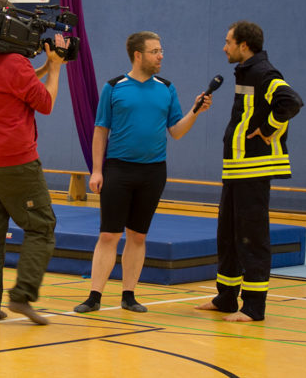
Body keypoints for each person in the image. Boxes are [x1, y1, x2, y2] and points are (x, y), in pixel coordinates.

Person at [74, 31, 211, 314]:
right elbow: (100, 131)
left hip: (153, 173)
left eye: (161, 51)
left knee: (138, 236)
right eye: (155, 51)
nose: (161, 56)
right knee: (109, 235)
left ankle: (129, 295)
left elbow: (176, 131)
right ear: (138, 55)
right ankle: (94, 296)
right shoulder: (114, 87)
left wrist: (196, 112)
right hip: (118, 170)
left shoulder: (167, 88)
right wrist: (97, 171)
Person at [0, 0, 73, 325]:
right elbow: (45, 102)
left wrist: (42, 67)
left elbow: (11, 83)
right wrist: (56, 68)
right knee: (42, 227)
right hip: (15, 162)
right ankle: (22, 295)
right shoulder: (15, 64)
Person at [196, 21, 302, 322]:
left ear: (244, 45)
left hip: (253, 170)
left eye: (228, 42)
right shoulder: (245, 72)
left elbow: (291, 102)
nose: (224, 47)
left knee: (251, 237)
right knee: (228, 235)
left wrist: (268, 129)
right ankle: (226, 297)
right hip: (236, 169)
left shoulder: (264, 73)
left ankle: (254, 306)